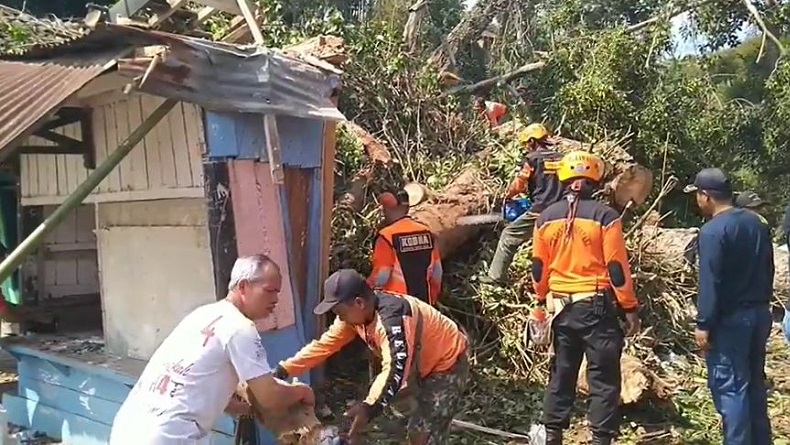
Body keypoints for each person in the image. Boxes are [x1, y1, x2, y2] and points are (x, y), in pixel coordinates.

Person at [109, 255, 315, 444]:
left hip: (129, 427)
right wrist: (301, 392)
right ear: (243, 287)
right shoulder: (240, 328)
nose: (276, 300)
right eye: (269, 290)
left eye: (277, 292)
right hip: (169, 436)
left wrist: (236, 406)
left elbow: (191, 378)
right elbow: (270, 397)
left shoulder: (202, 315)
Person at [274, 269, 469, 445]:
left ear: (359, 303)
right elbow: (324, 345)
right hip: (416, 365)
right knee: (394, 418)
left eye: (340, 313)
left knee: (423, 433)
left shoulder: (393, 320)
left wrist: (369, 407)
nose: (339, 318)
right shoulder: (354, 319)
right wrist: (284, 370)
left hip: (447, 364)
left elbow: (394, 369)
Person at [531, 150, 640, 445]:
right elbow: (617, 268)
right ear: (595, 179)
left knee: (561, 373)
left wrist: (541, 300)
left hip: (560, 308)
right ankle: (601, 439)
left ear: (564, 177)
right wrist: (629, 307)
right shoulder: (606, 216)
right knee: (603, 378)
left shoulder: (544, 219)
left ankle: (552, 434)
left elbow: (538, 269)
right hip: (596, 306)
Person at [684, 168, 773, 445]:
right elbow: (769, 269)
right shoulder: (757, 223)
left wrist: (704, 324)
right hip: (759, 314)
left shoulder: (712, 231)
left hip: (730, 320)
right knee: (755, 385)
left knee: (731, 388)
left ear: (705, 196)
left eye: (697, 195)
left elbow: (710, 281)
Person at [481, 123, 564, 285]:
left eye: (527, 144)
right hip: (563, 210)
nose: (527, 147)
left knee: (508, 235)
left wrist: (508, 196)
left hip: (541, 210)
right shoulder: (562, 158)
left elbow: (519, 183)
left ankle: (495, 277)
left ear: (532, 141)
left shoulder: (532, 160)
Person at [368, 189, 443, 305]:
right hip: (423, 305)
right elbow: (437, 272)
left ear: (387, 209)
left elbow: (382, 276)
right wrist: (432, 297)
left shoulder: (387, 236)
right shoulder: (426, 232)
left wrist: (367, 291)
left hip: (396, 306)